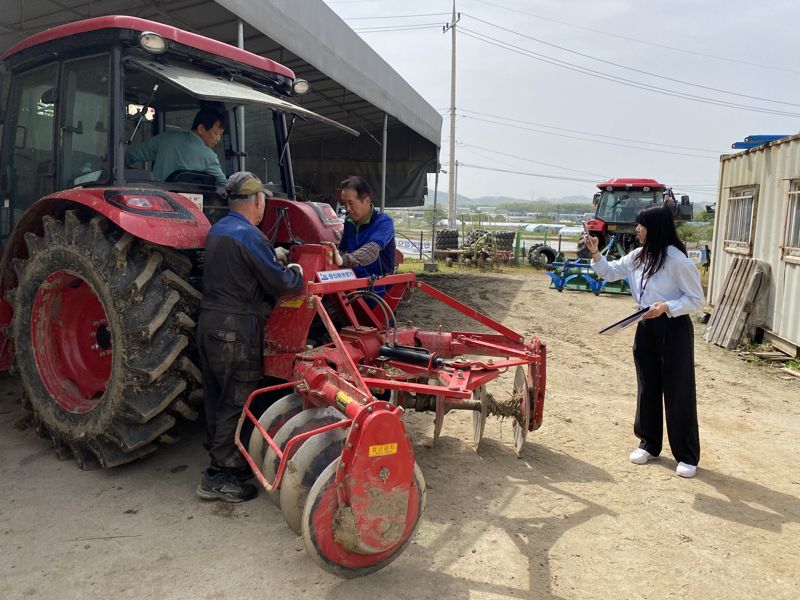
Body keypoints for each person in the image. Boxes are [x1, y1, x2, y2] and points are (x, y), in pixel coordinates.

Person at [196, 171, 304, 502]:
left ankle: (226, 457)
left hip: (209, 322)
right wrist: (295, 272)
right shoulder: (251, 235)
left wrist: (274, 256)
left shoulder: (217, 230)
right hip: (236, 329)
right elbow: (282, 285)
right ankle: (218, 475)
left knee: (216, 394)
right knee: (237, 397)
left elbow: (242, 267)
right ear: (257, 201)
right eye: (264, 201)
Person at [584, 205, 704, 478]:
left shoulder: (677, 260)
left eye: (641, 224)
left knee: (678, 390)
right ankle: (649, 443)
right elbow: (610, 271)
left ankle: (686, 455)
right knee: (647, 386)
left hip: (673, 328)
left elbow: (696, 299)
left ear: (656, 228)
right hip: (646, 325)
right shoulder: (639, 256)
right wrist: (594, 251)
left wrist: (667, 307)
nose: (636, 229)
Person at [322, 176, 396, 294]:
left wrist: (343, 260)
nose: (347, 209)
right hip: (355, 287)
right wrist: (326, 255)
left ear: (366, 200)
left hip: (380, 290)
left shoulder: (383, 222)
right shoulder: (349, 222)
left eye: (351, 203)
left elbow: (371, 250)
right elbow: (342, 249)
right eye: (344, 203)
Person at [125, 106, 227, 187]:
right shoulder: (209, 157)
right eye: (216, 134)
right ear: (201, 129)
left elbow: (132, 155)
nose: (218, 139)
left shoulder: (165, 138)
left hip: (156, 200)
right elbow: (222, 184)